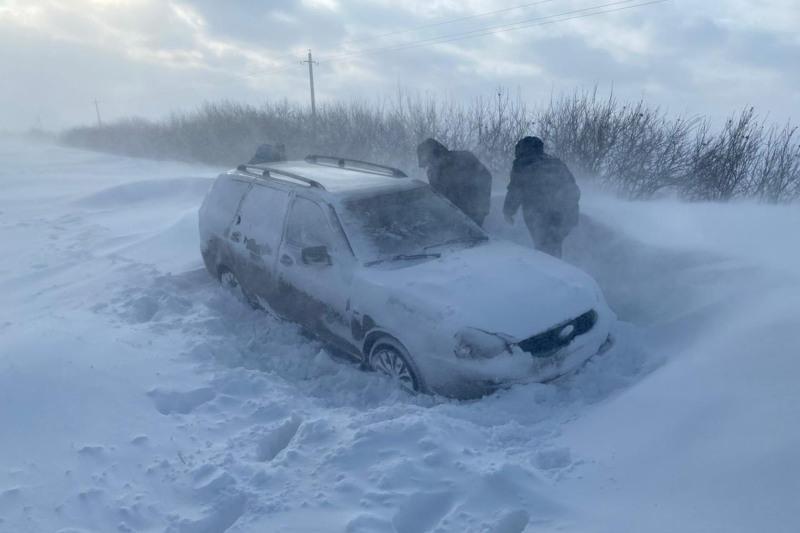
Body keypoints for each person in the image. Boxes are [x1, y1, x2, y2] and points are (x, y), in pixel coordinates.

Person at [503, 136, 580, 258]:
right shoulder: (557, 163)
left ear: (521, 149)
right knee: (554, 245)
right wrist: (572, 212)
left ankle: (546, 273)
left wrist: (508, 211)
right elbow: (573, 189)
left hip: (538, 213)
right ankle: (557, 270)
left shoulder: (522, 164)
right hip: (564, 214)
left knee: (544, 247)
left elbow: (515, 190)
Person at [417, 138, 492, 227]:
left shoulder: (464, 158)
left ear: (436, 154)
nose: (430, 165)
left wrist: (482, 207)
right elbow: (437, 195)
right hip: (451, 219)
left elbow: (486, 177)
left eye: (430, 161)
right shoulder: (432, 173)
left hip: (473, 214)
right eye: (427, 163)